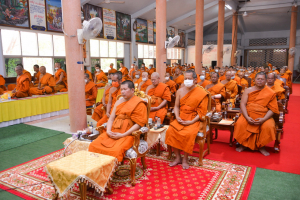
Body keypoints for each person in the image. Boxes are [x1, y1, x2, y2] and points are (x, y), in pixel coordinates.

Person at [89, 80, 147, 162]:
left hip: (128, 134)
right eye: (121, 89)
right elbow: (111, 118)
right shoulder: (118, 101)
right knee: (93, 145)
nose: (122, 92)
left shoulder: (139, 103)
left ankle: (110, 171)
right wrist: (108, 131)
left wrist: (123, 135)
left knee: (115, 151)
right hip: (113, 131)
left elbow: (139, 124)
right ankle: (99, 170)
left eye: (125, 89)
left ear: (132, 90)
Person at [165, 70, 209, 169]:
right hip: (181, 117)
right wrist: (177, 117)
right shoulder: (180, 91)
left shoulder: (202, 93)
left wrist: (192, 121)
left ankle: (185, 159)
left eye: (189, 79)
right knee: (170, 131)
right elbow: (176, 107)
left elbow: (202, 112)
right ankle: (177, 158)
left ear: (195, 80)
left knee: (187, 134)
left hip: (194, 119)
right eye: (186, 79)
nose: (187, 81)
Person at [234, 72, 279, 156]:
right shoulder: (248, 90)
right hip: (248, 113)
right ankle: (243, 144)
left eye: (262, 79)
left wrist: (264, 119)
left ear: (265, 80)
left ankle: (262, 146)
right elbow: (243, 104)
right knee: (240, 123)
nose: (260, 81)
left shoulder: (270, 92)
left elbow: (273, 109)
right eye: (258, 79)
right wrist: (247, 117)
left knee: (268, 126)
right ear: (254, 80)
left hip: (263, 115)